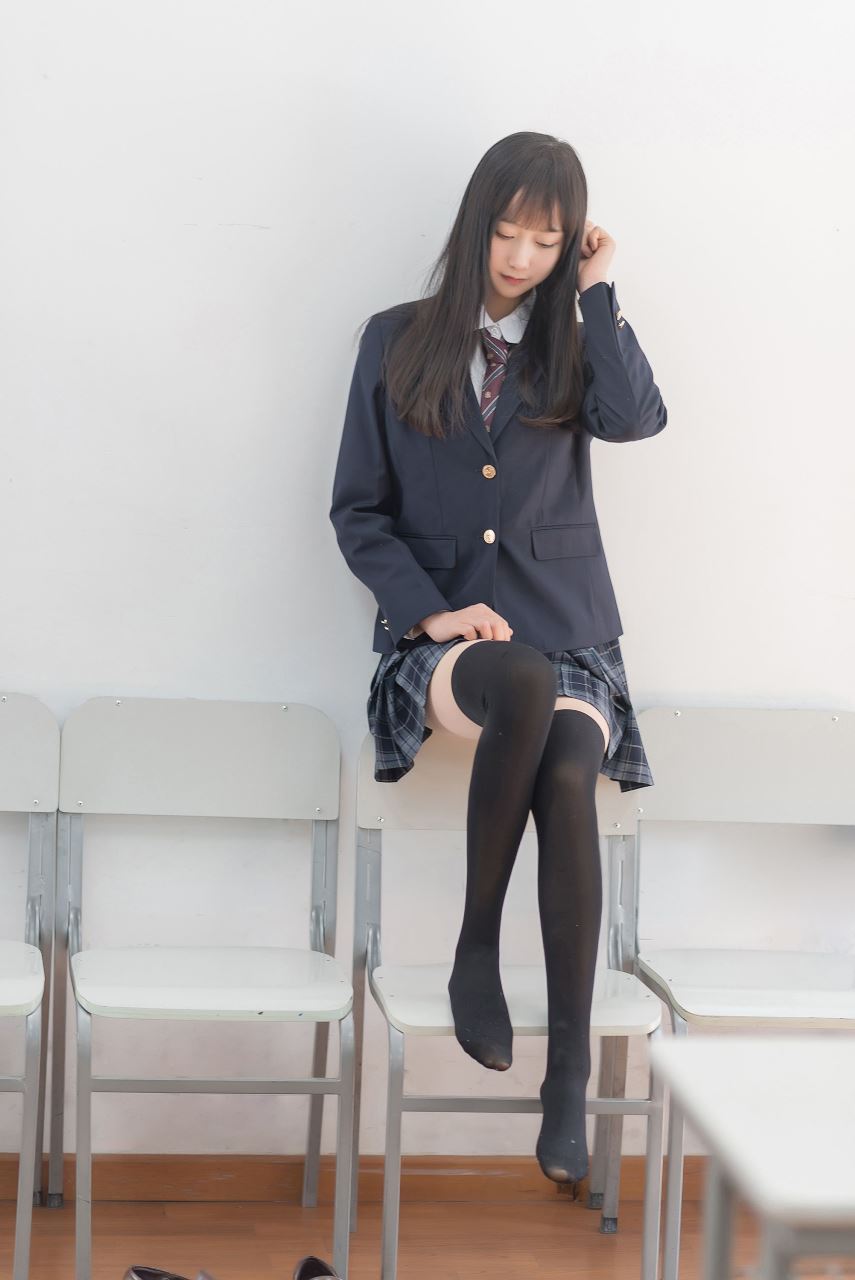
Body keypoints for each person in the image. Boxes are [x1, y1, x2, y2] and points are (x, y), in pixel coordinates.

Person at [329, 131, 668, 1184]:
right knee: (515, 678)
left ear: (568, 246)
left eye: (546, 241)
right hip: (443, 644)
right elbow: (356, 509)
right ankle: (477, 944)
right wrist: (429, 615)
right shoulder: (395, 338)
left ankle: (566, 1071)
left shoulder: (570, 341)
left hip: (570, 629)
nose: (521, 257)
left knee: (567, 773)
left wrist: (597, 294)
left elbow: (636, 420)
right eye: (508, 232)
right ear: (477, 223)